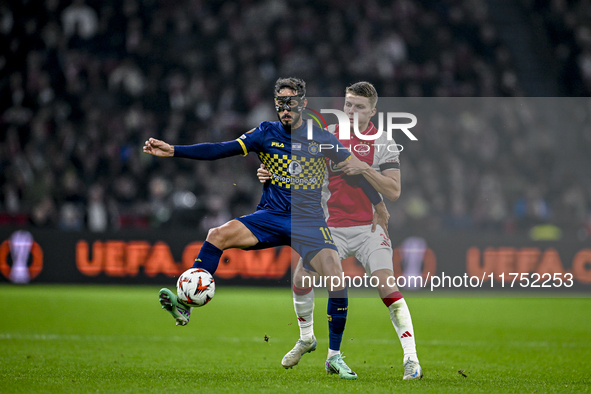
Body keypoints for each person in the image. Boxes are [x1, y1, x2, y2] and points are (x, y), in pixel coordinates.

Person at [143, 78, 389, 379]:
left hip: (308, 221)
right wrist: (175, 151)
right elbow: (222, 148)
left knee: (336, 276)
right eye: (281, 103)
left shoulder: (320, 137)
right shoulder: (265, 133)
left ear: (303, 104)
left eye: (292, 102)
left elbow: (355, 171)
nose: (286, 109)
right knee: (216, 235)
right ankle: (185, 304)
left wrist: (378, 204)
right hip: (271, 216)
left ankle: (334, 356)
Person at [257, 82, 422, 380]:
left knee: (387, 286)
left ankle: (411, 359)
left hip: (369, 227)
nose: (351, 111)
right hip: (329, 224)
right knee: (300, 277)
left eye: (359, 106)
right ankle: (307, 337)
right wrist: (270, 172)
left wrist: (366, 169)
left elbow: (394, 191)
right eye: (348, 104)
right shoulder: (326, 134)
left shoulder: (384, 141)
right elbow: (295, 167)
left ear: (373, 111)